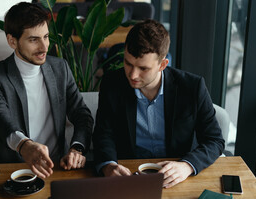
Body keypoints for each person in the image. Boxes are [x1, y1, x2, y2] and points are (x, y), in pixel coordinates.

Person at [93, 19, 224, 188]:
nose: (133, 75)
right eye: (128, 63)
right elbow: (104, 134)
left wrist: (187, 166)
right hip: (130, 176)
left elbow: (214, 140)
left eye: (143, 68)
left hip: (178, 177)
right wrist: (108, 165)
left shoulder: (192, 87)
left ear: (162, 64)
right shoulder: (112, 84)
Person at [0, 2, 93, 178]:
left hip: (57, 167)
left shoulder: (60, 68)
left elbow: (81, 114)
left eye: (46, 37)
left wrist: (77, 149)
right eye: (33, 39)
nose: (44, 47)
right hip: (12, 170)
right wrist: (24, 145)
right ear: (12, 41)